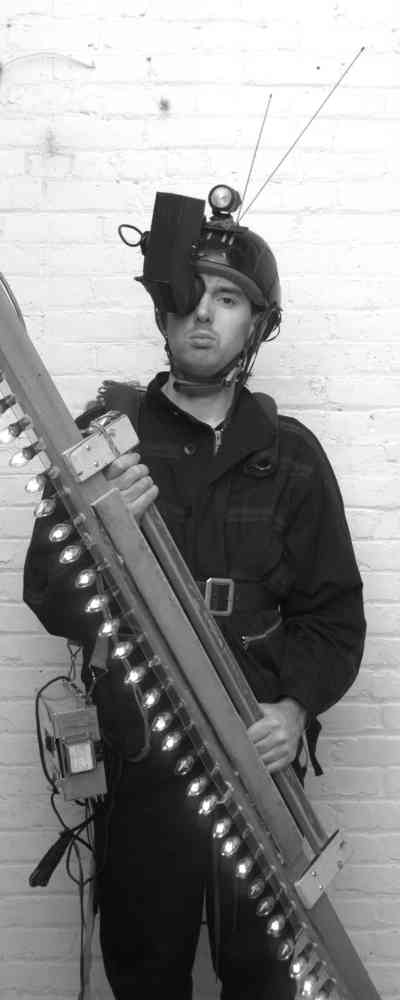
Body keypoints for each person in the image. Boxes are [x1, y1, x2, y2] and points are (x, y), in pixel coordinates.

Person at [23, 184, 366, 1000]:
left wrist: (295, 709)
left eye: (229, 299)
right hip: (143, 770)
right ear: (164, 307)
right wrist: (103, 525)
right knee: (145, 974)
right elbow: (48, 592)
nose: (204, 314)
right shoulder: (105, 439)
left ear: (257, 325)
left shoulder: (290, 456)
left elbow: (333, 615)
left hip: (261, 779)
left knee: (265, 979)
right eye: (192, 294)